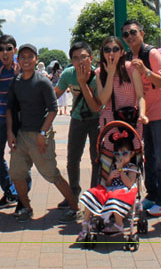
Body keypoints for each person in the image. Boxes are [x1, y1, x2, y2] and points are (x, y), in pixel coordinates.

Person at [7, 43, 79, 223]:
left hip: (41, 134)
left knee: (51, 174)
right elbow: (10, 109)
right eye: (22, 57)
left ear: (36, 59)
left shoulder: (42, 81)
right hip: (22, 134)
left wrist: (42, 133)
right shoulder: (16, 82)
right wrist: (10, 132)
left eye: (29, 57)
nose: (26, 60)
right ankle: (26, 206)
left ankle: (75, 207)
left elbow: (53, 109)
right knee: (16, 173)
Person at [121, 19, 161, 218]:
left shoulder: (152, 53)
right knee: (149, 157)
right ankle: (152, 195)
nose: (129, 37)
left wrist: (145, 71)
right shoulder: (127, 56)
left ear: (142, 33)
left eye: (133, 32)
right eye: (125, 34)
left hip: (159, 112)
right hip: (142, 115)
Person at [54, 41, 101, 208]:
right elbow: (55, 94)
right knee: (72, 158)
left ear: (91, 58)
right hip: (77, 118)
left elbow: (96, 106)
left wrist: (82, 83)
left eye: (84, 57)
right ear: (71, 60)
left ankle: (95, 194)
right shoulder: (68, 74)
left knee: (97, 158)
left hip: (97, 119)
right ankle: (73, 193)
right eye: (75, 58)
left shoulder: (98, 75)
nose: (80, 61)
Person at [77, 131, 139, 241]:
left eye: (124, 154)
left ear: (132, 154)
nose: (121, 157)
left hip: (125, 191)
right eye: (117, 154)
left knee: (115, 196)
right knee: (93, 193)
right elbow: (108, 184)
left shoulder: (132, 167)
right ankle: (85, 223)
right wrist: (110, 176)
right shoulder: (114, 166)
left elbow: (129, 183)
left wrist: (121, 171)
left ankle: (119, 224)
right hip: (111, 189)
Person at [0, 34, 23, 210]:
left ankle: (21, 195)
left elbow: (21, 96)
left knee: (19, 156)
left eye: (9, 48)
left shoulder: (22, 65)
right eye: (1, 49)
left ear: (14, 50)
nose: (5, 52)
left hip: (19, 118)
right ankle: (10, 192)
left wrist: (17, 76)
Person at [95, 36, 147, 147]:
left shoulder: (131, 69)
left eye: (115, 49)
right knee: (111, 157)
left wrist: (142, 114)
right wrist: (110, 74)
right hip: (110, 120)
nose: (111, 53)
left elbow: (140, 96)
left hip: (130, 118)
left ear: (122, 52)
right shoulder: (99, 72)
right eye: (107, 50)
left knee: (132, 155)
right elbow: (104, 100)